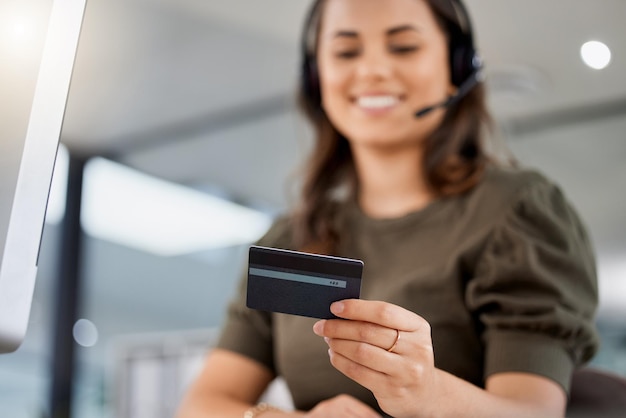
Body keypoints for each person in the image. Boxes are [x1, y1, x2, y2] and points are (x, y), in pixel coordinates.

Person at [176, 0, 599, 417]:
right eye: (345, 51)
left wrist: (426, 393)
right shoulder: (291, 238)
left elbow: (532, 412)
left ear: (457, 69)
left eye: (403, 47)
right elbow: (201, 406)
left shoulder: (516, 212)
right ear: (314, 78)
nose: (373, 70)